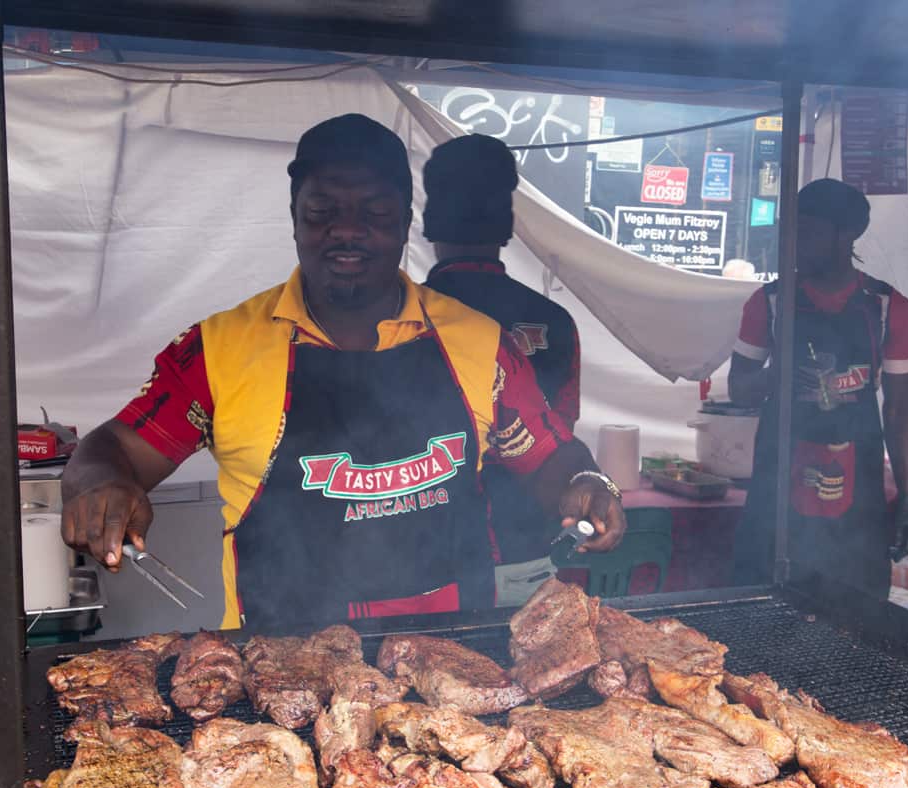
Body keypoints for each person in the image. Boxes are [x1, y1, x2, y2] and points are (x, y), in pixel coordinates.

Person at [59, 114, 625, 630]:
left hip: (455, 664)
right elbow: (111, 449)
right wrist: (98, 484)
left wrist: (589, 484)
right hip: (278, 672)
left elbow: (552, 457)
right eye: (322, 212)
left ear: (405, 222)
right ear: (294, 218)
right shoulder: (218, 350)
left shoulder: (481, 344)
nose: (347, 230)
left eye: (374, 213)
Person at [728, 178, 908, 597]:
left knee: (856, 613)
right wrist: (775, 376)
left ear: (845, 235)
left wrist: (907, 497)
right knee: (761, 604)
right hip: (777, 490)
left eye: (809, 233)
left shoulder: (888, 308)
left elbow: (900, 407)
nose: (796, 244)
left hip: (859, 495)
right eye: (793, 231)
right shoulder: (770, 303)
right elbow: (739, 388)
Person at [421, 134, 581, 592]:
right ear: (507, 223)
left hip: (425, 561)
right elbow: (559, 437)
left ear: (429, 220)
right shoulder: (557, 322)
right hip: (527, 549)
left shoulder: (403, 319)